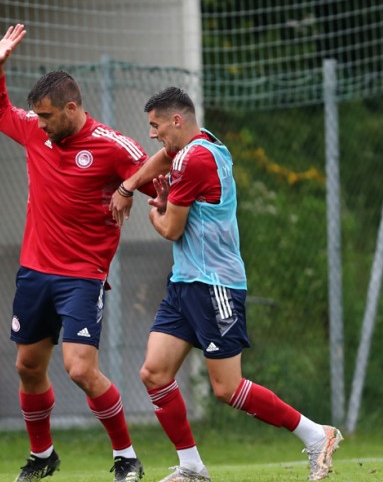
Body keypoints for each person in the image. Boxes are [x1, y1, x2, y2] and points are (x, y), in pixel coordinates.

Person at [117, 86, 342, 482]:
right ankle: (192, 467)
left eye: (155, 125)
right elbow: (163, 158)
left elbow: (170, 228)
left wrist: (156, 209)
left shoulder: (195, 159)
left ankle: (316, 435)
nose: (151, 134)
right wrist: (129, 185)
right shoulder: (201, 144)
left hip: (215, 285)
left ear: (177, 120)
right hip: (186, 283)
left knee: (226, 388)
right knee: (154, 373)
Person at [0, 24, 157, 482]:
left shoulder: (112, 146)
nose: (37, 123)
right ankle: (43, 457)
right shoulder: (36, 133)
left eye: (45, 116)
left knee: (80, 369)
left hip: (82, 274)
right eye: (36, 116)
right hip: (34, 271)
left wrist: (126, 187)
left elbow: (159, 179)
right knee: (27, 366)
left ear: (72, 109)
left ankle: (126, 456)